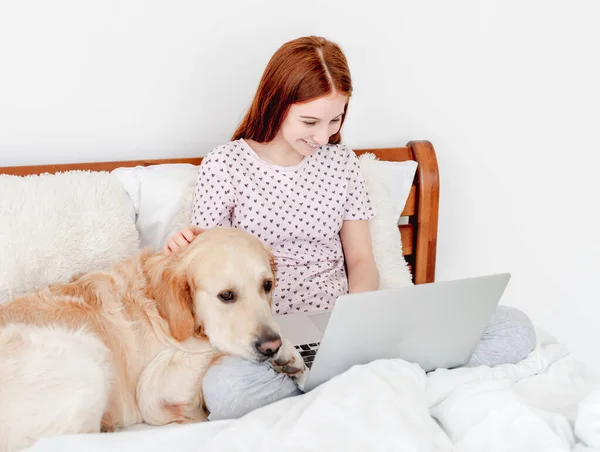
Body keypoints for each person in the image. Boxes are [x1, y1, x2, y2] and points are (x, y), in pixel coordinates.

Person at [164, 36, 536, 420]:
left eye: (335, 119)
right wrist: (182, 248)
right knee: (226, 391)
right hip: (270, 337)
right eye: (309, 121)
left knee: (515, 329)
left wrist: (354, 323)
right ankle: (370, 379)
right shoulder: (225, 165)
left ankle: (342, 375)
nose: (323, 136)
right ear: (276, 102)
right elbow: (209, 264)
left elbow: (361, 260)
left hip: (343, 326)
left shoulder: (341, 163)